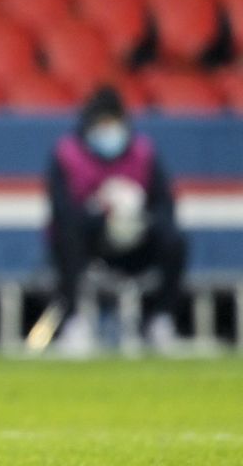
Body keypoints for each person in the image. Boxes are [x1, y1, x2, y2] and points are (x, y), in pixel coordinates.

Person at [43, 85, 187, 351]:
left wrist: (137, 216)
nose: (108, 131)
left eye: (113, 122)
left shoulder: (143, 153)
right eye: (102, 123)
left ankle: (160, 319)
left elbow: (165, 204)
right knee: (66, 235)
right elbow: (61, 211)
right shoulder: (68, 154)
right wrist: (99, 212)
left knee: (173, 239)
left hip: (135, 239)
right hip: (90, 240)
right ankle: (75, 321)